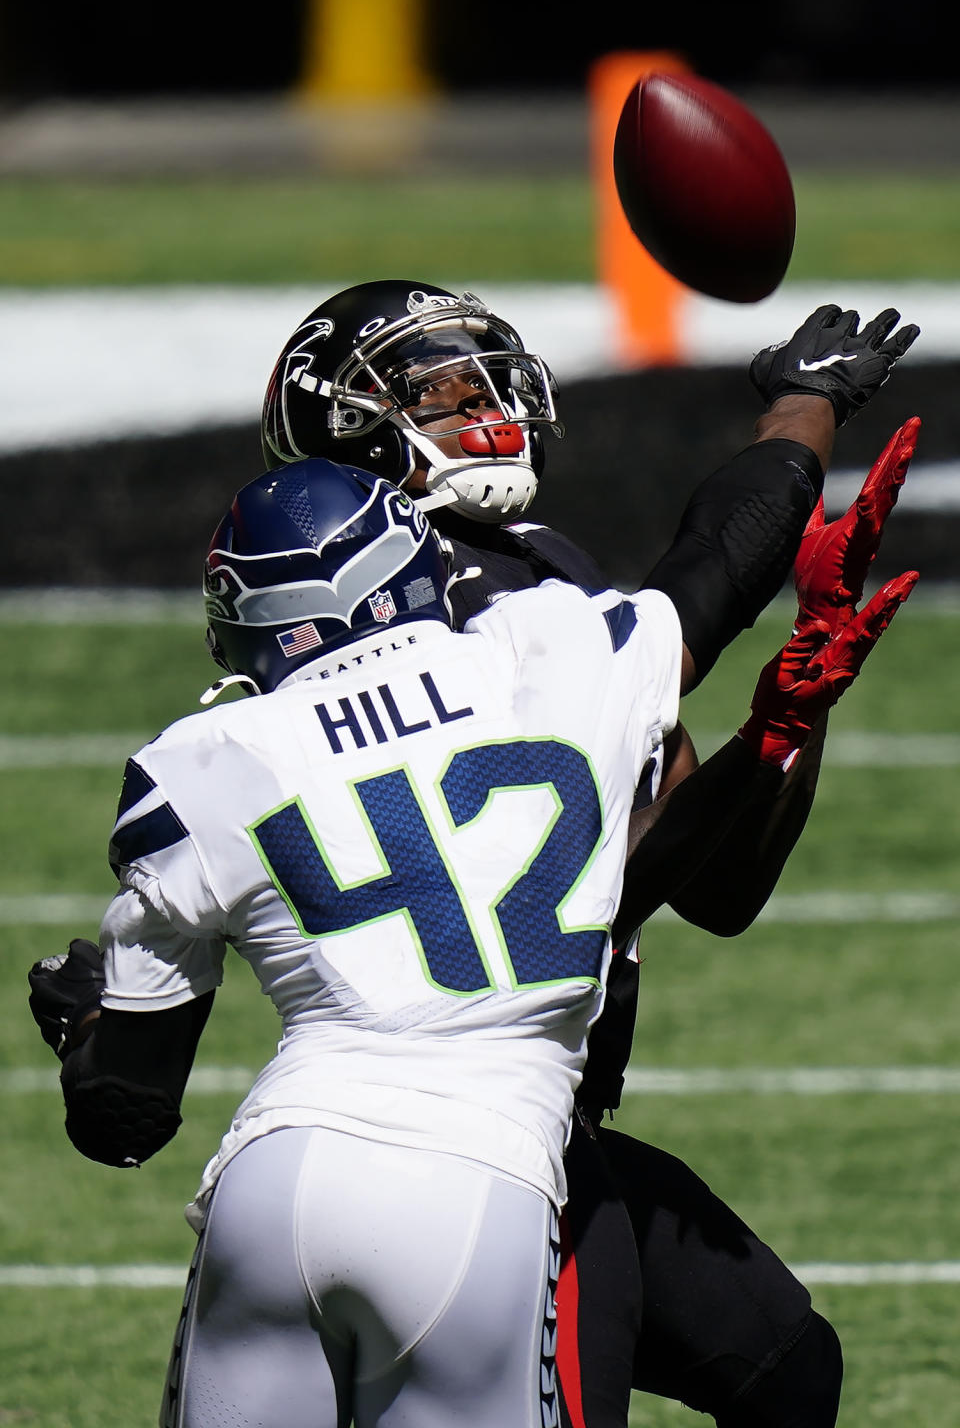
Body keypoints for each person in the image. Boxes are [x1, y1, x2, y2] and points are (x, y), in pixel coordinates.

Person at [28, 448, 913, 1428]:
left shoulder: (199, 765)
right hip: (481, 1173)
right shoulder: (547, 650)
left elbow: (125, 1118)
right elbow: (717, 560)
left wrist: (83, 1030)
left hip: (277, 1174)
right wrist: (801, 421)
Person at [253, 281, 921, 1428]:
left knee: (784, 1364)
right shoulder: (398, 626)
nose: (486, 408)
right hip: (459, 1147)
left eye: (486, 381)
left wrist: (787, 720)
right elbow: (596, 880)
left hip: (551, 1129)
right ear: (350, 425)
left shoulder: (536, 568)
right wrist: (799, 419)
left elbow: (713, 887)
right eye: (443, 391)